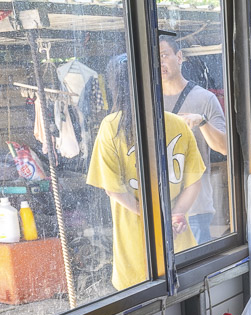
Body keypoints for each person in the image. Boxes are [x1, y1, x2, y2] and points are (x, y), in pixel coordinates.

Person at [87, 53, 205, 291]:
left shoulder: (111, 127)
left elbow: (114, 189)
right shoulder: (177, 124)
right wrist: (177, 215)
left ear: (114, 86)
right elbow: (194, 181)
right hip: (179, 243)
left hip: (136, 249)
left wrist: (155, 218)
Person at [158, 34, 229, 247]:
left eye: (164, 55)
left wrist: (202, 122)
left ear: (179, 57)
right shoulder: (148, 102)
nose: (160, 63)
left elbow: (225, 148)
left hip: (196, 207)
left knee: (196, 269)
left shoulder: (204, 98)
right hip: (160, 207)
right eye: (155, 59)